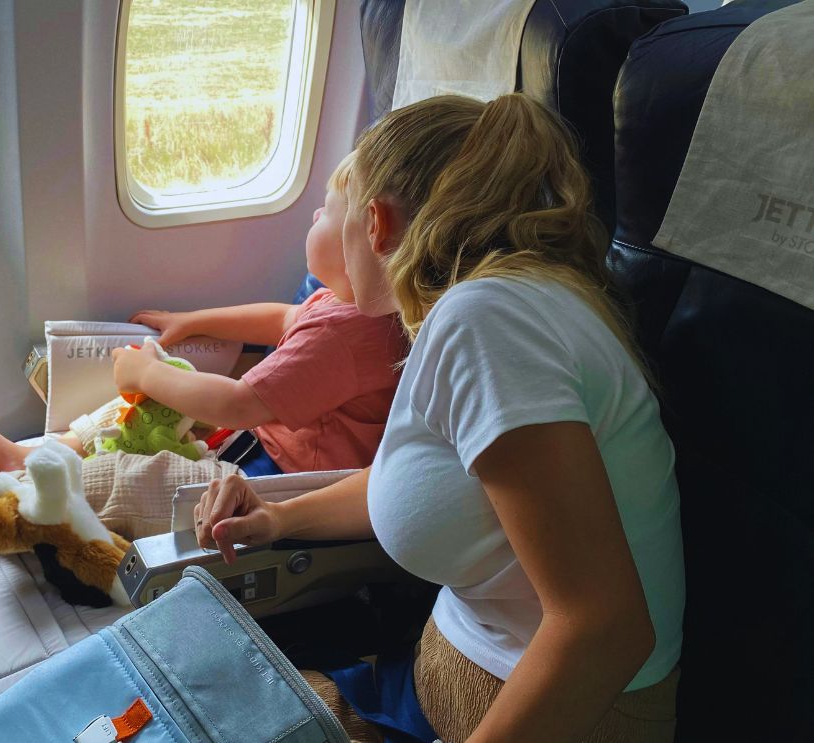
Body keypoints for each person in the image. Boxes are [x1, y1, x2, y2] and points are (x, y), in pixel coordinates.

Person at [193, 94, 684, 743]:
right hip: (442, 680)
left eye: (328, 210)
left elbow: (606, 627)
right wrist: (277, 514)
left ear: (375, 222)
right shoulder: (490, 307)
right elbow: (425, 481)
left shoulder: (487, 322)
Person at [0, 151, 408, 544]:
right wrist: (194, 320)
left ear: (372, 230)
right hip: (255, 444)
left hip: (281, 482)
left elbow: (238, 403)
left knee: (136, 479)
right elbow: (286, 317)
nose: (315, 217)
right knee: (133, 415)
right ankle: (32, 459)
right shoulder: (344, 304)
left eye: (327, 210)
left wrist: (145, 373)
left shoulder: (350, 333)